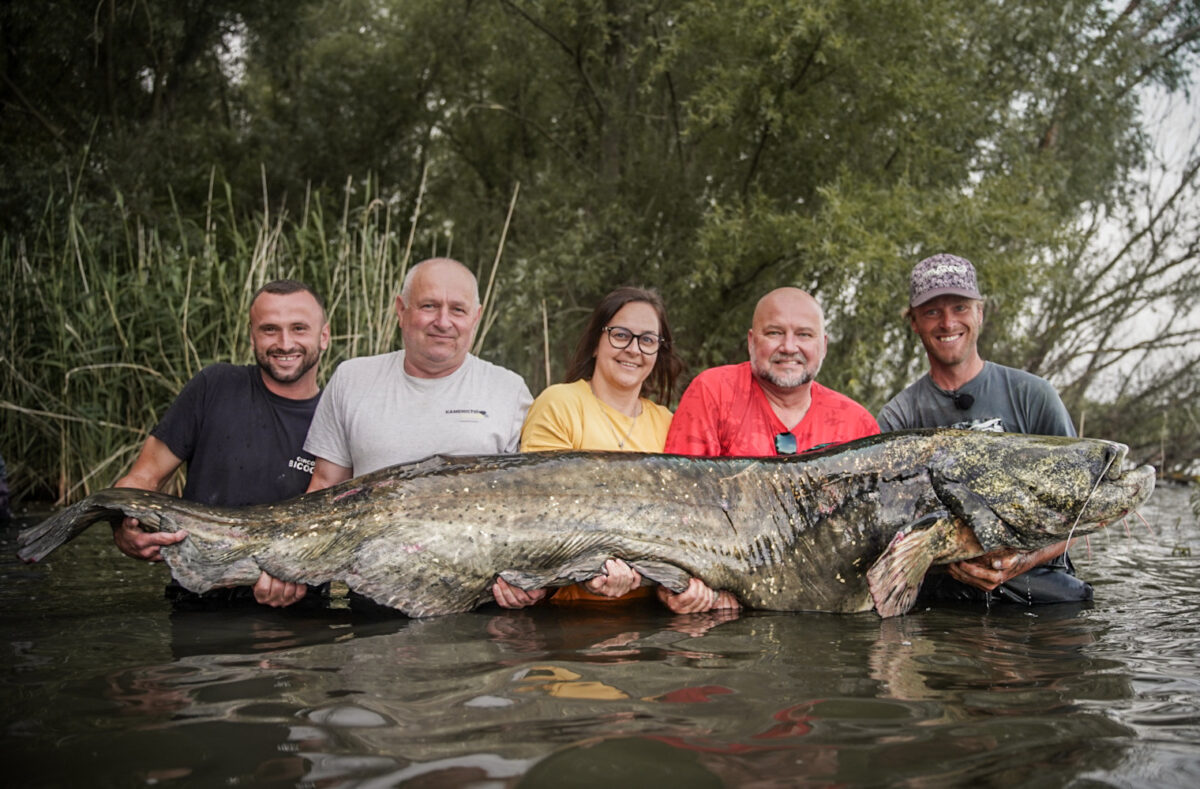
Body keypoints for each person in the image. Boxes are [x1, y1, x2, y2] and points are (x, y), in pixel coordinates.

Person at [301, 257, 534, 605]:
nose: (443, 322)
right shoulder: (352, 379)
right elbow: (324, 487)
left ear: (476, 317)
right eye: (429, 306)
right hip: (372, 601)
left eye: (457, 309)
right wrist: (291, 569)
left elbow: (530, 508)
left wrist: (532, 584)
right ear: (401, 309)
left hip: (480, 604)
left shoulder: (509, 389)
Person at [877, 252, 1090, 604]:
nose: (947, 323)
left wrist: (1020, 562)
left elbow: (1080, 512)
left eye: (959, 308)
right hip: (944, 579)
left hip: (1035, 575)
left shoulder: (1033, 395)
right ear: (914, 322)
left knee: (1071, 600)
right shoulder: (898, 417)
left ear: (980, 312)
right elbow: (888, 528)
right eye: (932, 311)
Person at [660, 287, 880, 613]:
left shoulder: (858, 423)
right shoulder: (712, 392)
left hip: (824, 615)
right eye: (774, 333)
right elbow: (673, 503)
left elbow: (877, 535)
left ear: (823, 345)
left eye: (804, 334)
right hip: (721, 609)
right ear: (752, 341)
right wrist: (679, 584)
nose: (789, 347)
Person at [112, 279, 331, 608]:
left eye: (299, 328)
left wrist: (296, 570)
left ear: (324, 336)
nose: (285, 343)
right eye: (270, 330)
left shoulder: (338, 418)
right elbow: (145, 476)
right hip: (198, 602)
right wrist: (122, 524)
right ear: (252, 335)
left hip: (300, 610)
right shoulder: (214, 386)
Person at [510, 286, 684, 607]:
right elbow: (543, 516)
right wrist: (594, 572)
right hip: (565, 618)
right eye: (620, 334)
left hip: (652, 622)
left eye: (647, 340)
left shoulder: (669, 423)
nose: (633, 349)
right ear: (595, 344)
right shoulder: (559, 404)